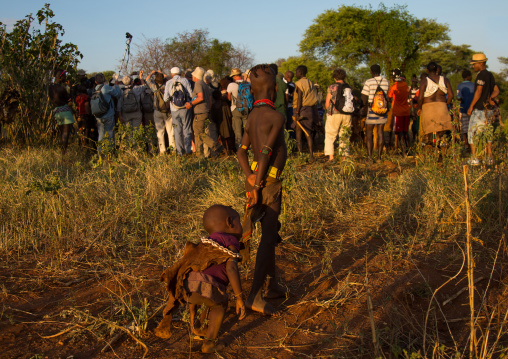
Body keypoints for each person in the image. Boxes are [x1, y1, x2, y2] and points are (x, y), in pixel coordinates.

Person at [154, 205, 246, 353]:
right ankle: (210, 343)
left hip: (187, 286)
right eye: (239, 221)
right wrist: (239, 297)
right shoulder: (230, 240)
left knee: (204, 296)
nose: (241, 225)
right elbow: (231, 268)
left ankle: (197, 327)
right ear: (230, 222)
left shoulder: (206, 242)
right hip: (209, 284)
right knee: (219, 305)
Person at [237, 64, 287, 315]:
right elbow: (266, 152)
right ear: (276, 89)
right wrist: (258, 185)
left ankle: (272, 285)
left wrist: (249, 178)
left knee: (268, 231)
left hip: (255, 180)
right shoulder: (277, 117)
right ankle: (254, 295)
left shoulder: (252, 117)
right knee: (268, 236)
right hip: (268, 183)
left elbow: (241, 152)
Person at [467, 53, 498, 165]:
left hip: (479, 108)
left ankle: (474, 157)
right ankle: (489, 157)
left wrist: (471, 106)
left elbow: (479, 91)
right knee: (487, 132)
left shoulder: (481, 75)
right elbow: (496, 90)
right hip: (489, 109)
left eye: (474, 64)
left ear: (480, 63)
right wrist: (491, 98)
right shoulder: (490, 75)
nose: (473, 66)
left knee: (472, 132)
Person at [186, 67, 224, 157]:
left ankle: (216, 146)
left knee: (199, 133)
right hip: (205, 111)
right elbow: (209, 99)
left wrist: (190, 104)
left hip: (200, 112)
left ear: (195, 76)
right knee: (197, 132)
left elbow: (200, 97)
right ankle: (199, 155)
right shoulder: (205, 84)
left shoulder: (198, 84)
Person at [417, 62, 453, 149]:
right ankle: (442, 153)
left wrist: (419, 108)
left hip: (428, 109)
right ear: (437, 69)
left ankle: (432, 148)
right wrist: (445, 104)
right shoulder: (445, 80)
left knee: (430, 132)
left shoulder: (424, 81)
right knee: (442, 132)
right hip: (442, 108)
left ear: (427, 70)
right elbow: (451, 95)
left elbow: (420, 98)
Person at [361, 64, 390, 161]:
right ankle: (379, 157)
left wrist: (363, 107)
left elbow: (364, 98)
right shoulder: (386, 81)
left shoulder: (369, 82)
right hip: (382, 110)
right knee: (380, 132)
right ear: (380, 71)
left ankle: (370, 157)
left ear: (371, 72)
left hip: (372, 109)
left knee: (369, 133)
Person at [324, 68, 352, 161]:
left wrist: (329, 112)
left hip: (334, 113)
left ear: (335, 77)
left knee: (330, 135)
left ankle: (331, 157)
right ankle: (344, 156)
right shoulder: (348, 87)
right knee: (344, 135)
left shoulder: (331, 87)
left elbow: (327, 103)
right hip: (347, 114)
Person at [164, 67, 193, 155]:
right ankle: (188, 150)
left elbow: (165, 99)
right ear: (180, 73)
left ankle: (180, 152)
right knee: (187, 129)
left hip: (174, 109)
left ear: (172, 74)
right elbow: (191, 94)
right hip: (185, 108)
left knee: (177, 131)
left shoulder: (169, 83)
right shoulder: (185, 81)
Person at [293, 65, 319, 161]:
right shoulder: (310, 82)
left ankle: (300, 155)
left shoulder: (299, 83)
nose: (296, 74)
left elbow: (299, 98)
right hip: (310, 110)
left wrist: (297, 112)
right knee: (308, 133)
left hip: (302, 109)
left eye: (296, 72)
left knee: (299, 134)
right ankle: (311, 155)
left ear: (300, 72)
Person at [92, 73, 122, 155]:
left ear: (95, 81)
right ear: (104, 80)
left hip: (98, 116)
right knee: (110, 135)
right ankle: (110, 154)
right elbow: (118, 94)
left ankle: (100, 154)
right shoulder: (105, 87)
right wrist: (116, 85)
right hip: (108, 115)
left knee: (101, 135)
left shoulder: (95, 89)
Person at [146, 70, 175, 154]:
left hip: (157, 110)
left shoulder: (154, 87)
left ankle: (162, 150)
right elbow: (171, 78)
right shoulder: (167, 85)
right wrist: (161, 72)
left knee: (160, 132)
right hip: (168, 110)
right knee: (170, 131)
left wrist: (152, 73)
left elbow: (147, 79)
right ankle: (173, 149)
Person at [49, 69, 75, 158]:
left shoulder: (50, 87)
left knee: (62, 134)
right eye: (64, 77)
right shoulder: (62, 89)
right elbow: (69, 99)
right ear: (60, 77)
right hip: (65, 112)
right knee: (66, 134)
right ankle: (63, 155)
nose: (65, 78)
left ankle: (62, 153)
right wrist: (70, 87)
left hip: (57, 112)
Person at [388, 69, 411, 154]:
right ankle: (409, 149)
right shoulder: (405, 85)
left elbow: (389, 97)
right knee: (406, 131)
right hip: (406, 111)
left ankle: (403, 151)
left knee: (400, 132)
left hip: (398, 112)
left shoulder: (394, 87)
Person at [227, 68, 249, 148]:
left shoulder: (231, 85)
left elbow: (229, 98)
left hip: (235, 109)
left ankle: (239, 149)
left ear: (235, 76)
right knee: (247, 131)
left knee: (238, 131)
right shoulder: (247, 84)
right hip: (246, 108)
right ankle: (248, 148)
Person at [456, 69, 475, 149]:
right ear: (469, 76)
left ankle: (465, 144)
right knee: (473, 127)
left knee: (464, 127)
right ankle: (473, 144)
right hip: (473, 110)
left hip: (463, 109)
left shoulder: (459, 86)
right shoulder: (474, 85)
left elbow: (458, 97)